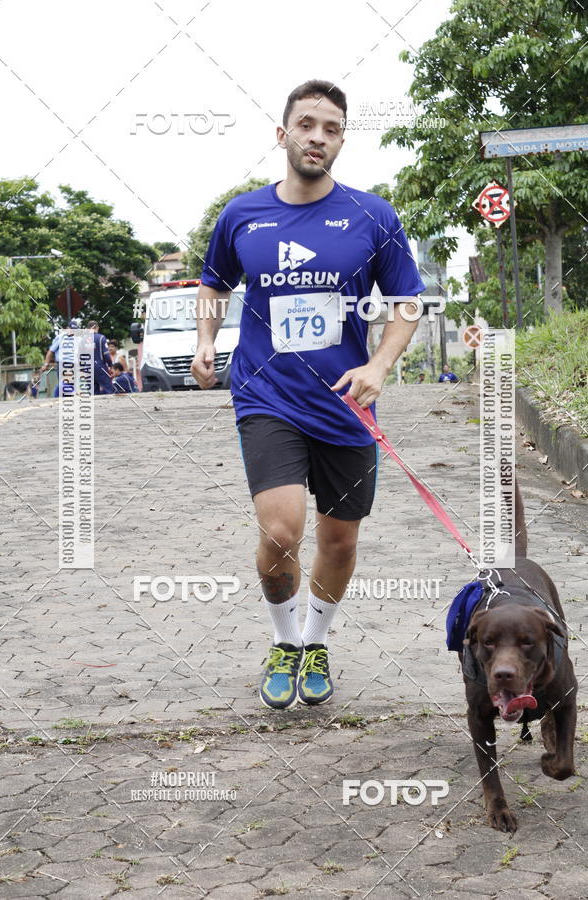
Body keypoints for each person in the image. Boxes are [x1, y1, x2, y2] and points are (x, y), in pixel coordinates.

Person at [191, 79, 426, 710]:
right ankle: (284, 640)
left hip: (347, 404)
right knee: (281, 529)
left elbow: (408, 301)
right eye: (306, 124)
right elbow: (213, 283)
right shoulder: (243, 214)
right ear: (283, 133)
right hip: (267, 395)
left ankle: (317, 642)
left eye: (331, 128)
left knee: (340, 541)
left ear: (342, 139)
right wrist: (207, 340)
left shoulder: (373, 215)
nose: (317, 136)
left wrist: (379, 365)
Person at [87, 321, 114, 395]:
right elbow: (106, 355)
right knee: (109, 390)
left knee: (93, 393)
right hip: (100, 367)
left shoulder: (83, 340)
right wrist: (111, 366)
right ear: (97, 327)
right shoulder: (101, 338)